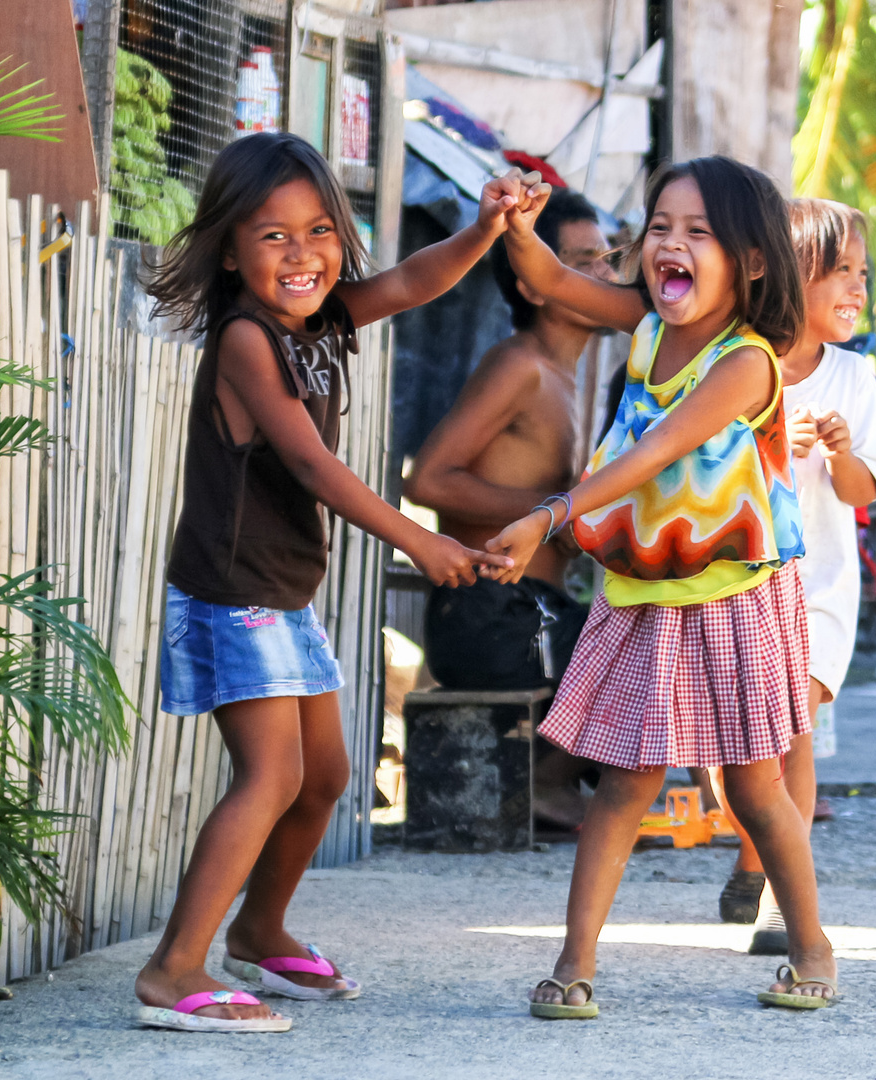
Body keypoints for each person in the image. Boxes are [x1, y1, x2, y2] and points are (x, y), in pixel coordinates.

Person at [133, 132, 521, 1032]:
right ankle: (171, 968)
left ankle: (261, 931)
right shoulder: (245, 341)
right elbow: (309, 465)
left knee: (326, 778)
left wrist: (484, 229)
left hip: (279, 593)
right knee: (269, 777)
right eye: (272, 237)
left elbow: (417, 281)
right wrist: (421, 544)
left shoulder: (322, 321)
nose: (302, 253)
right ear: (229, 248)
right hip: (234, 593)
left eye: (318, 232)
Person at [487, 156, 838, 1016]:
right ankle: (575, 968)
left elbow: (654, 452)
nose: (668, 245)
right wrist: (517, 224)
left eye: (698, 233)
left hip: (734, 596)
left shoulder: (748, 363)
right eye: (659, 228)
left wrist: (551, 514)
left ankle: (814, 949)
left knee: (752, 788)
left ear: (753, 262)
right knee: (623, 785)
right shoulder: (645, 323)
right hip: (646, 591)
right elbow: (554, 282)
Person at [711, 198, 876, 951]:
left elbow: (862, 492)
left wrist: (842, 452)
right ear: (787, 277)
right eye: (837, 271)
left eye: (863, 273)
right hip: (733, 584)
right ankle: (755, 855)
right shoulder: (730, 364)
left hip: (817, 590)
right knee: (734, 757)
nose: (856, 289)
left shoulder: (854, 376)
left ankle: (785, 905)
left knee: (794, 733)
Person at [404, 188, 608, 829]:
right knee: (643, 642)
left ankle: (564, 778)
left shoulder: (575, 378)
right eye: (585, 261)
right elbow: (428, 480)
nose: (606, 275)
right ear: (538, 283)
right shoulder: (518, 365)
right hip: (487, 619)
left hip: (537, 616)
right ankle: (548, 782)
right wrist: (552, 510)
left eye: (607, 259)